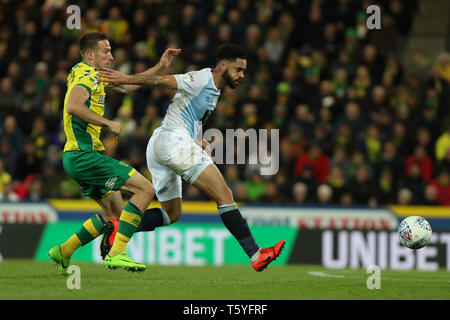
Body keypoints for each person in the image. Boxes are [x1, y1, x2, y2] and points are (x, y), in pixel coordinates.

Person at [98, 44, 285, 272]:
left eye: (244, 71)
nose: (242, 76)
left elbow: (188, 114)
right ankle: (256, 254)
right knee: (225, 195)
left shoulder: (214, 91)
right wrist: (125, 78)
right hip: (173, 142)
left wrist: (198, 139)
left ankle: (117, 228)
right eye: (239, 69)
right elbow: (161, 82)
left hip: (162, 143)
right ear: (223, 66)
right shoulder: (201, 79)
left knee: (172, 213)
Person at [48, 32, 181, 274]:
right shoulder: (87, 76)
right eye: (105, 51)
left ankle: (63, 251)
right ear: (90, 54)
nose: (111, 56)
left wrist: (160, 66)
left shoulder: (90, 73)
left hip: (76, 157)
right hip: (83, 156)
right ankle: (118, 253)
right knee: (146, 189)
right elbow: (73, 106)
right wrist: (108, 123)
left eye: (110, 51)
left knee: (114, 214)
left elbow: (129, 86)